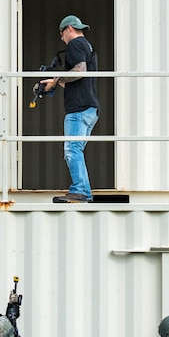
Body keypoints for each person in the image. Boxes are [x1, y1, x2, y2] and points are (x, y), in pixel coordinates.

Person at [38, 14, 99, 204]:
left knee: (72, 149)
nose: (62, 38)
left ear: (68, 29)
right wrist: (53, 83)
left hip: (78, 108)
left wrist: (56, 80)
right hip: (90, 108)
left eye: (61, 34)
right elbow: (77, 79)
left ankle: (80, 191)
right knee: (76, 150)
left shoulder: (74, 44)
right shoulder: (89, 47)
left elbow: (79, 72)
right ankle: (84, 192)